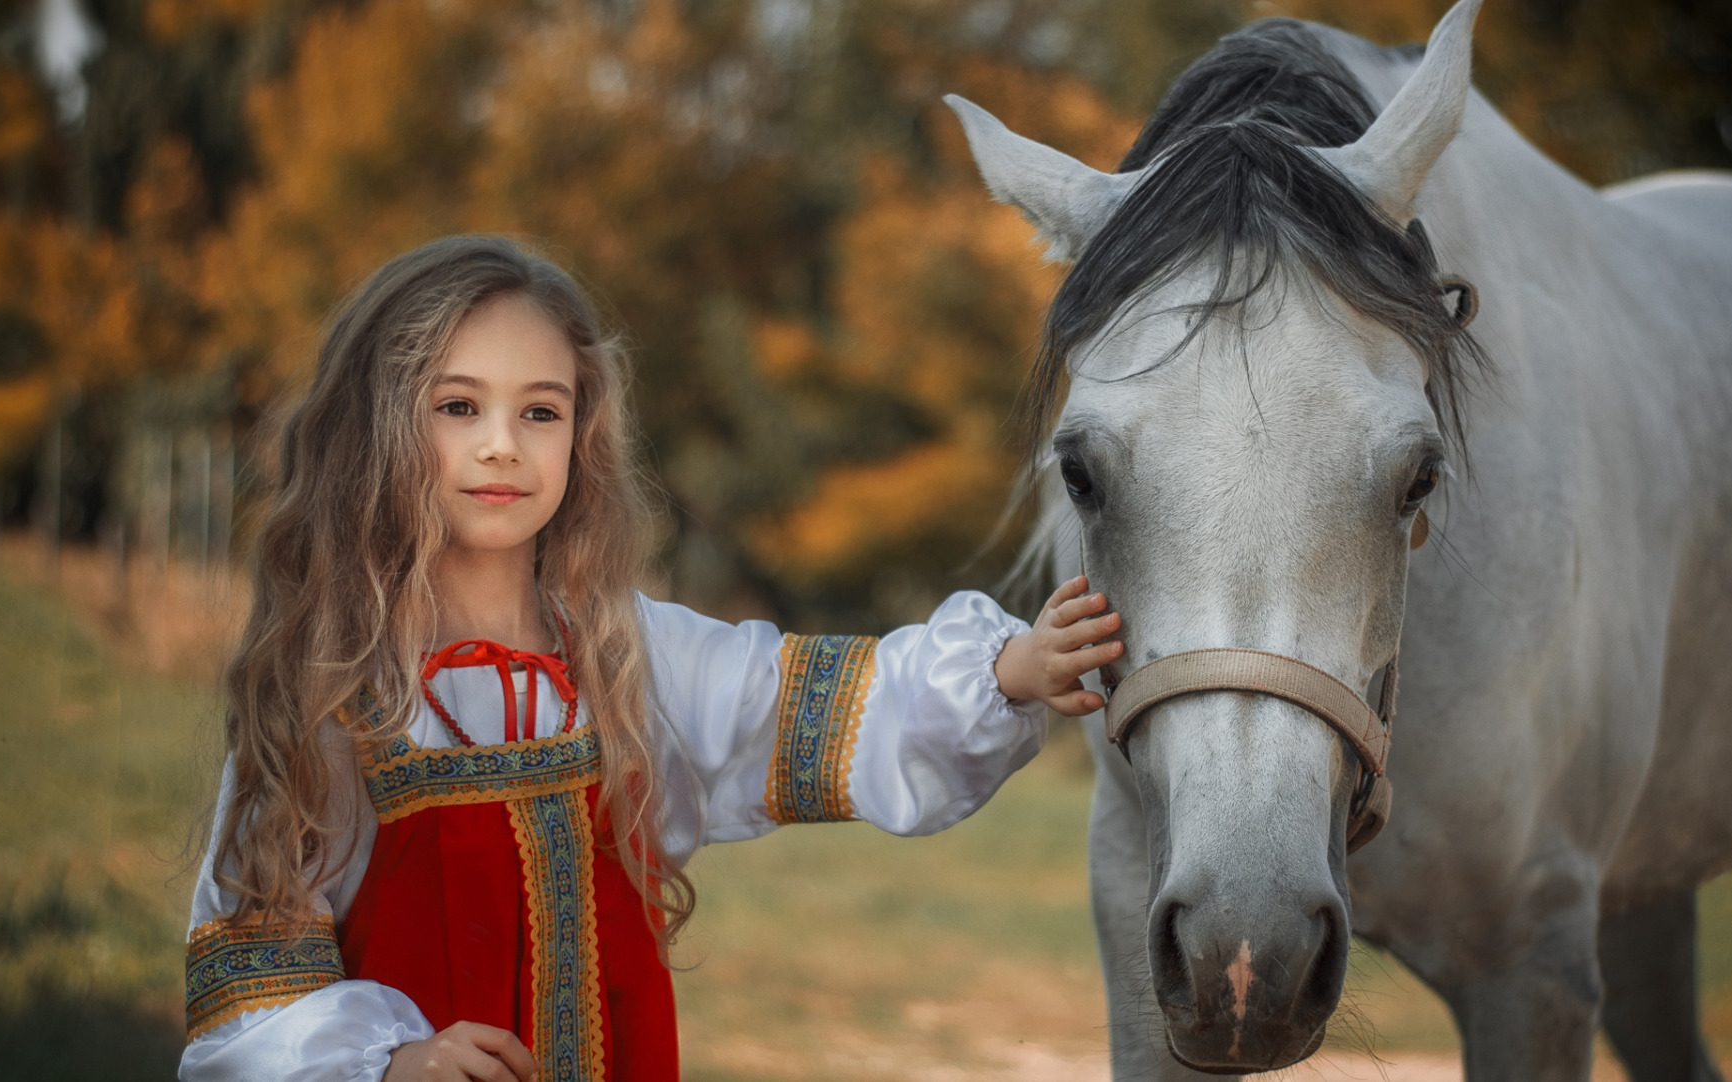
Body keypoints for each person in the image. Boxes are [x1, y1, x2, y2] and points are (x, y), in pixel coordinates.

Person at [179, 235, 1122, 1082]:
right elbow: (252, 991)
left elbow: (816, 707)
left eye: (541, 413)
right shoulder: (338, 691)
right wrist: (388, 1065)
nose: (502, 445)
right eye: (458, 406)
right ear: (379, 426)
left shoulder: (629, 659)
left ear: (581, 437)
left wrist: (1007, 670)